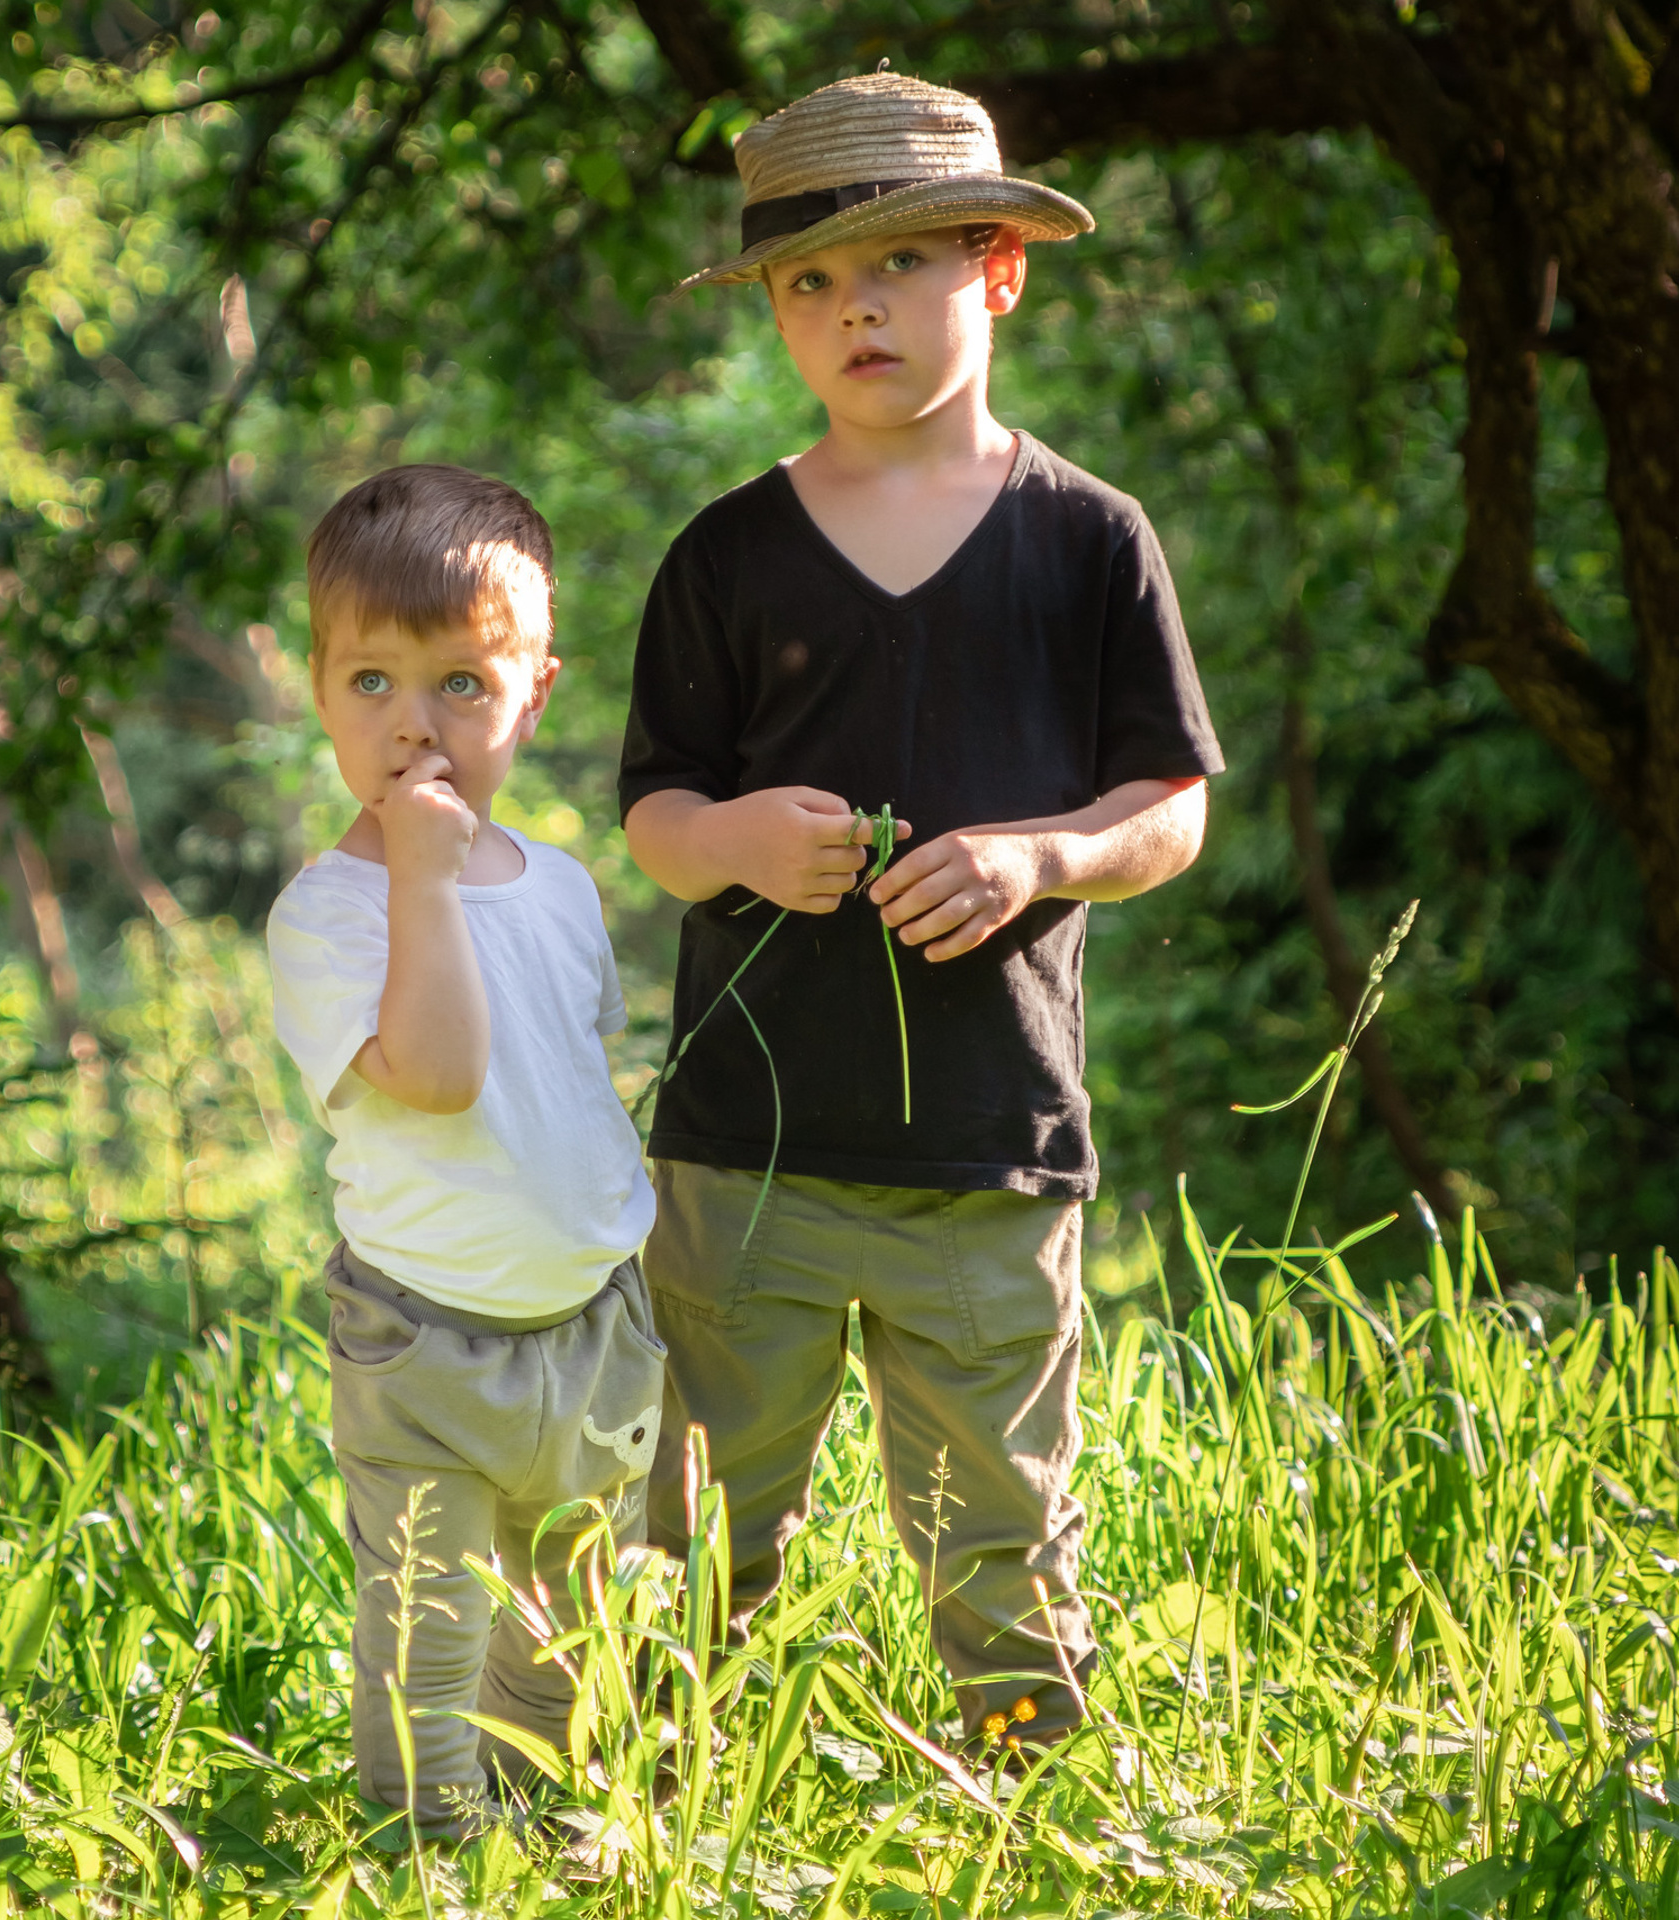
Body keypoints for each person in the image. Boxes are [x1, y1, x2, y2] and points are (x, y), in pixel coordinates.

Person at [619, 72, 1224, 1757]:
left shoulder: (1090, 540)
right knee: (686, 1544)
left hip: (990, 1149)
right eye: (807, 282)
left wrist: (1041, 860)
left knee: (1004, 1551)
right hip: (746, 1156)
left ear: (1000, 271)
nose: (851, 308)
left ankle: (1028, 1815)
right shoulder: (726, 556)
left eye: (894, 264)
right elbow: (655, 818)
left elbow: (1167, 806)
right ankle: (651, 1818)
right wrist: (737, 835)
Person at [269, 465, 660, 1840]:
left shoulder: (558, 884)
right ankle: (426, 1852)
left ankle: (548, 1828)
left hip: (590, 1330)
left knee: (566, 1633)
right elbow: (438, 1079)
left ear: (534, 695)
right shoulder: (330, 915)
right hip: (423, 1342)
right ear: (317, 689)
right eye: (370, 684)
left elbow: (575, 1075)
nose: (413, 727)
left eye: (461, 686)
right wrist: (423, 876)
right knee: (429, 1629)